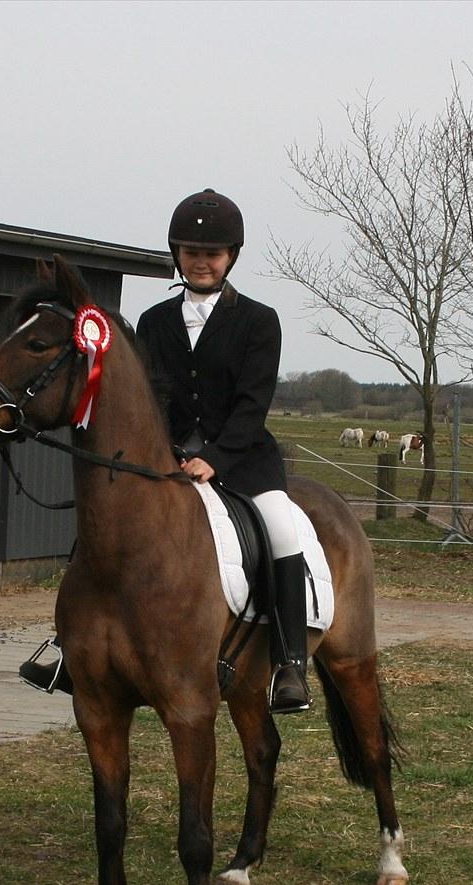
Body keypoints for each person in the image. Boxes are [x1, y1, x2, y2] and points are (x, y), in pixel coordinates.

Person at [136, 188, 311, 713]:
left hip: (242, 459)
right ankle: (69, 647)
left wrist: (213, 457)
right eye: (191, 251)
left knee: (281, 524)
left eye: (211, 253)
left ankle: (288, 663)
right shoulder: (153, 322)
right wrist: (165, 455)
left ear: (231, 256)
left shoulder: (259, 321)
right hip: (167, 461)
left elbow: (252, 404)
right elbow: (151, 399)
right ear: (177, 254)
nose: (201, 261)